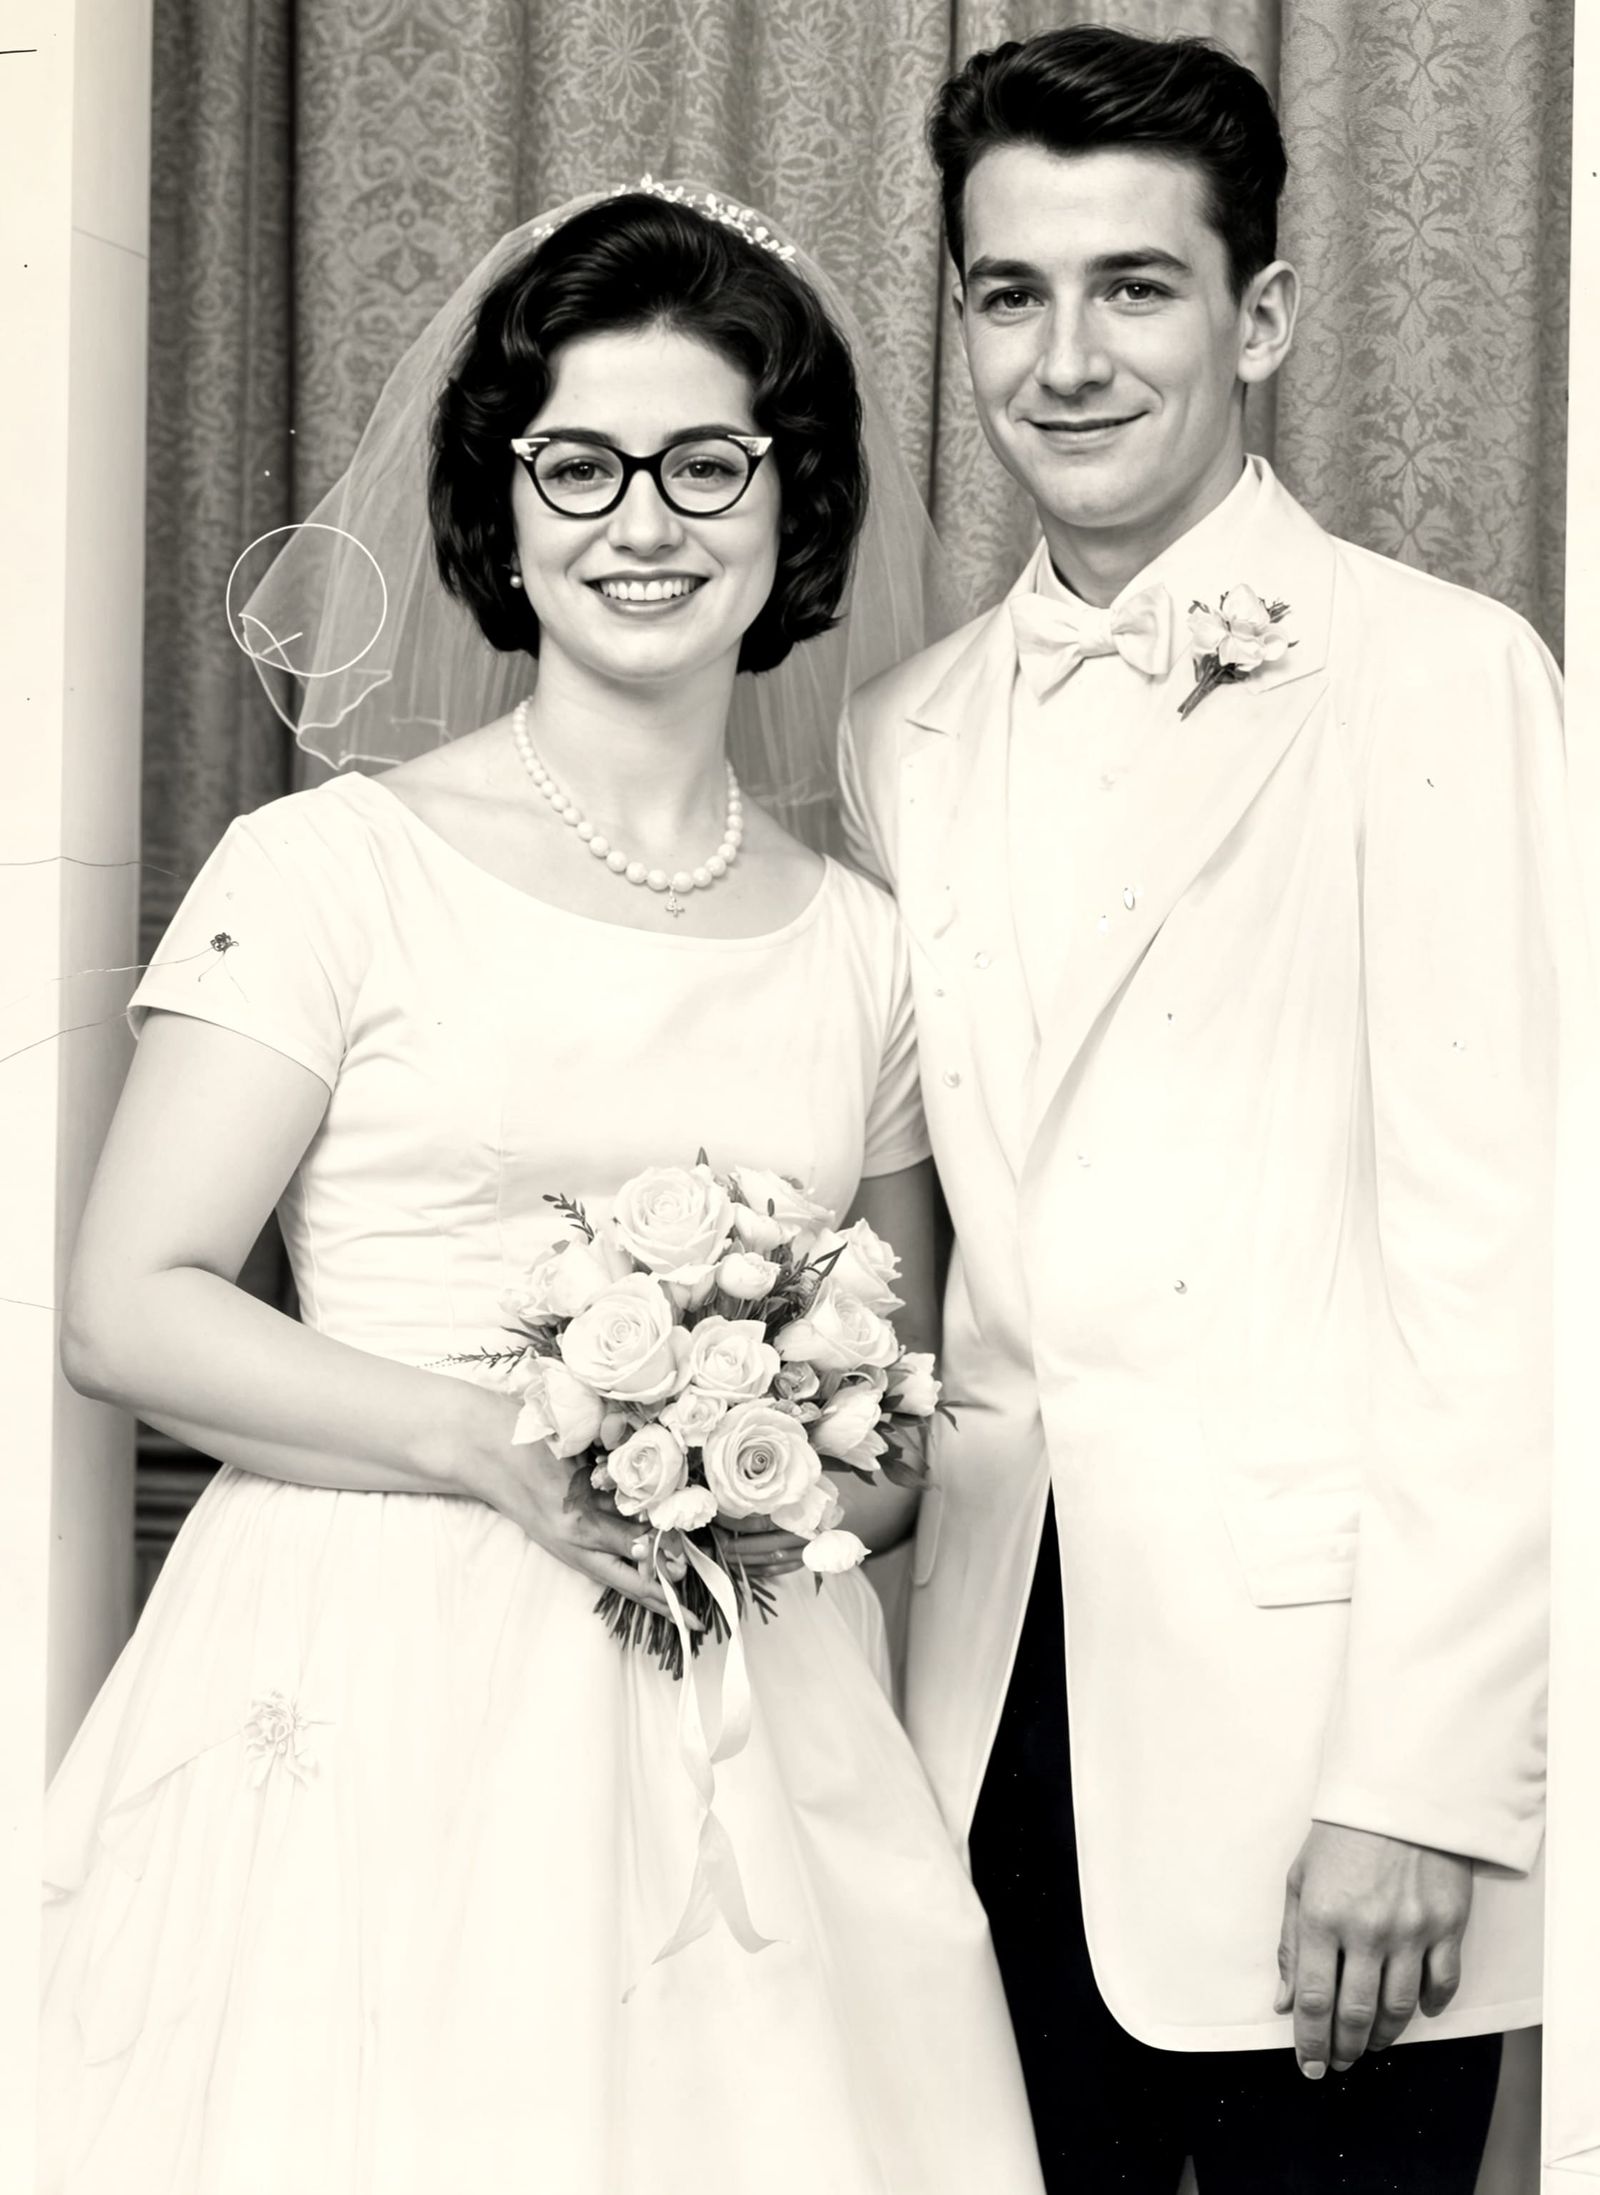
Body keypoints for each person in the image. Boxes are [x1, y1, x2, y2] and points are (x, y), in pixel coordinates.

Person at [41, 185, 1044, 2195]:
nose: (639, 520)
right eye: (577, 464)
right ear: (502, 513)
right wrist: (508, 1448)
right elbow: (126, 1306)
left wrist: (753, 1465)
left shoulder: (865, 945)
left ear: (792, 502)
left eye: (704, 463)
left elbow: (899, 1417)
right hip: (366, 1681)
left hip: (741, 1708)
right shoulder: (327, 869)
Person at [840, 26, 1570, 2193]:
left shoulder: (1445, 672)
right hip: (982, 1721)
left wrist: (1418, 1784)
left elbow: (1509, 1269)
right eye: (1010, 294)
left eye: (1133, 288)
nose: (1064, 359)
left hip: (1320, 1765)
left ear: (1257, 318)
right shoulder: (902, 732)